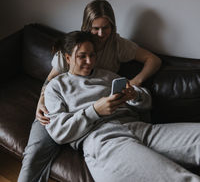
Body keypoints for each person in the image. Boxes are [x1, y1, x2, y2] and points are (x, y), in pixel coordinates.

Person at [18, 0, 161, 182]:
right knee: (35, 151)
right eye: (95, 28)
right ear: (87, 26)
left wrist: (135, 83)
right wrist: (41, 100)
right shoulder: (74, 46)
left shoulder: (118, 45)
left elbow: (153, 60)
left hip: (100, 110)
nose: (101, 34)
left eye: (106, 27)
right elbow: (51, 79)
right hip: (64, 104)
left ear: (112, 25)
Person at [44, 31, 200, 182]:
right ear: (68, 58)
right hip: (104, 139)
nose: (89, 61)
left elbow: (147, 102)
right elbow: (58, 132)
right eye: (82, 56)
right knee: (176, 177)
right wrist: (95, 111)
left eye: (92, 55)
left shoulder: (107, 75)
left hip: (139, 128)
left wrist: (135, 95)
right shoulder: (57, 86)